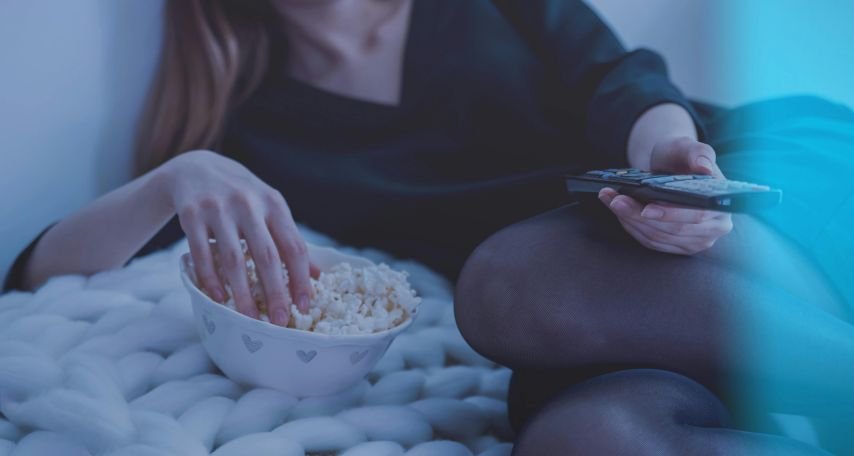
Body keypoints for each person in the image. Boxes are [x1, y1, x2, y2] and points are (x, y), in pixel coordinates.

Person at [4, 0, 853, 454]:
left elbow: (623, 82)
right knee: (581, 441)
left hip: (735, 189)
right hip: (578, 321)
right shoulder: (254, 130)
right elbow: (37, 279)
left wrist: (673, 161)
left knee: (509, 280)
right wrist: (175, 177)